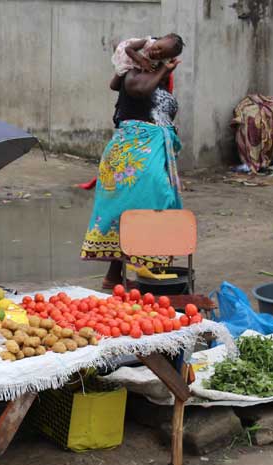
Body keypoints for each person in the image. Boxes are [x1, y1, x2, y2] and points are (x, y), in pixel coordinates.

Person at [81, 46, 183, 289]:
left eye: (164, 52)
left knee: (139, 207)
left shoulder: (160, 83)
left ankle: (119, 275)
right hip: (132, 153)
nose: (158, 55)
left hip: (149, 152)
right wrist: (156, 69)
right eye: (155, 49)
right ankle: (146, 272)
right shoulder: (133, 75)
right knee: (146, 203)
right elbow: (137, 89)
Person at [111, 34, 183, 128]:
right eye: (158, 47)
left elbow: (163, 78)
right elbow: (129, 49)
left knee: (119, 81)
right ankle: (117, 48)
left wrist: (165, 70)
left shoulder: (161, 64)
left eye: (161, 54)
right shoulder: (147, 43)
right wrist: (142, 61)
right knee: (119, 76)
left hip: (143, 125)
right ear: (159, 39)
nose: (157, 53)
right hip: (130, 55)